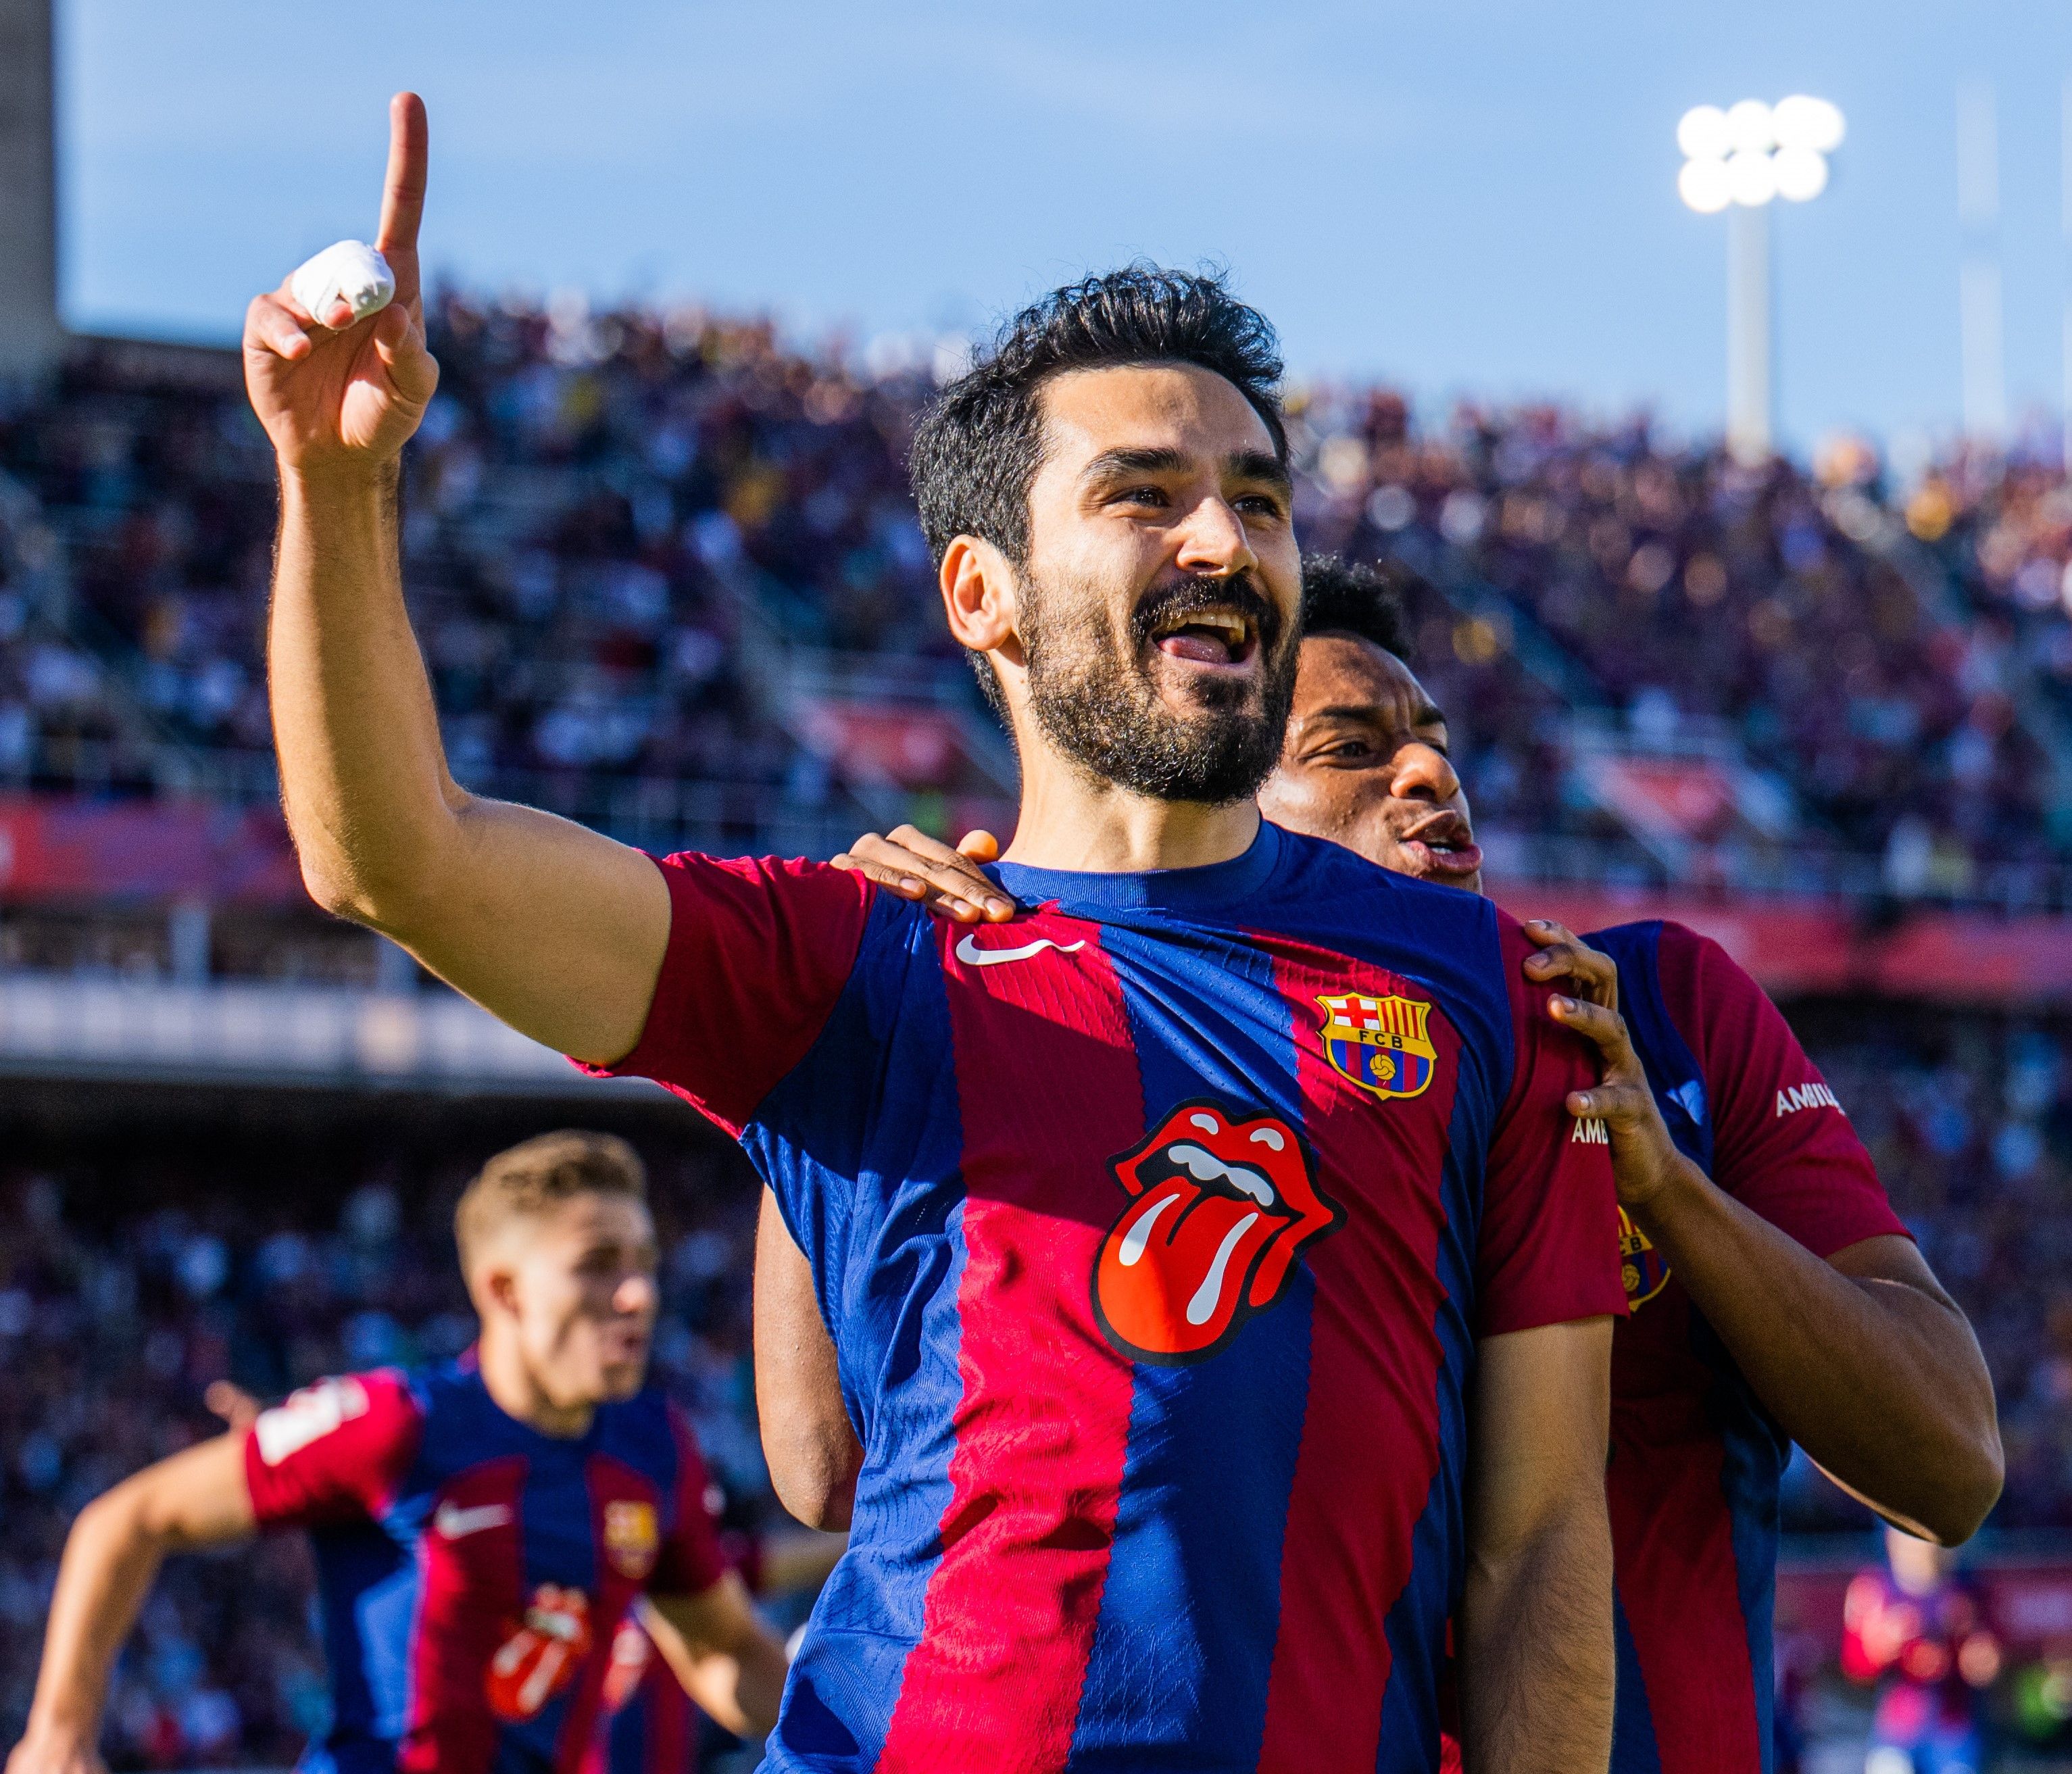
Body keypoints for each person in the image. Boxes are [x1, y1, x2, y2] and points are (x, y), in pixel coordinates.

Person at [245, 93, 1625, 1772]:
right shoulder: (861, 958)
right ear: (984, 596)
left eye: (1259, 501)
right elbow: (400, 860)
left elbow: (1539, 1542)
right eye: (1146, 493)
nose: (1225, 540)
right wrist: (335, 484)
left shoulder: (1482, 985)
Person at [824, 556, 2005, 1774]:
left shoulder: (1660, 1013)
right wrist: (852, 1029)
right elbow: (829, 1465)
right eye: (1347, 747)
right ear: (1224, 810)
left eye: (1433, 741)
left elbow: (1950, 1468)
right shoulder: (1111, 1065)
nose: (1433, 773)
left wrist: (1669, 1191)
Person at [5, 1131, 787, 1774]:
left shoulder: (655, 1449)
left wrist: (882, 1740)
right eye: (597, 1265)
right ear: (503, 1290)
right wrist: (60, 1734)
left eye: (646, 1263)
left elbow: (721, 1651)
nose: (639, 1294)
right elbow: (127, 1519)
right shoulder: (396, 1424)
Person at [1844, 1526, 2001, 1774]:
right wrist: (1884, 1646)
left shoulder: (1967, 1591)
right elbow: (1856, 1666)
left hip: (1953, 1729)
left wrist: (1975, 1656)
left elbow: (1987, 1663)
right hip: (1897, 1728)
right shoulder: (1875, 1589)